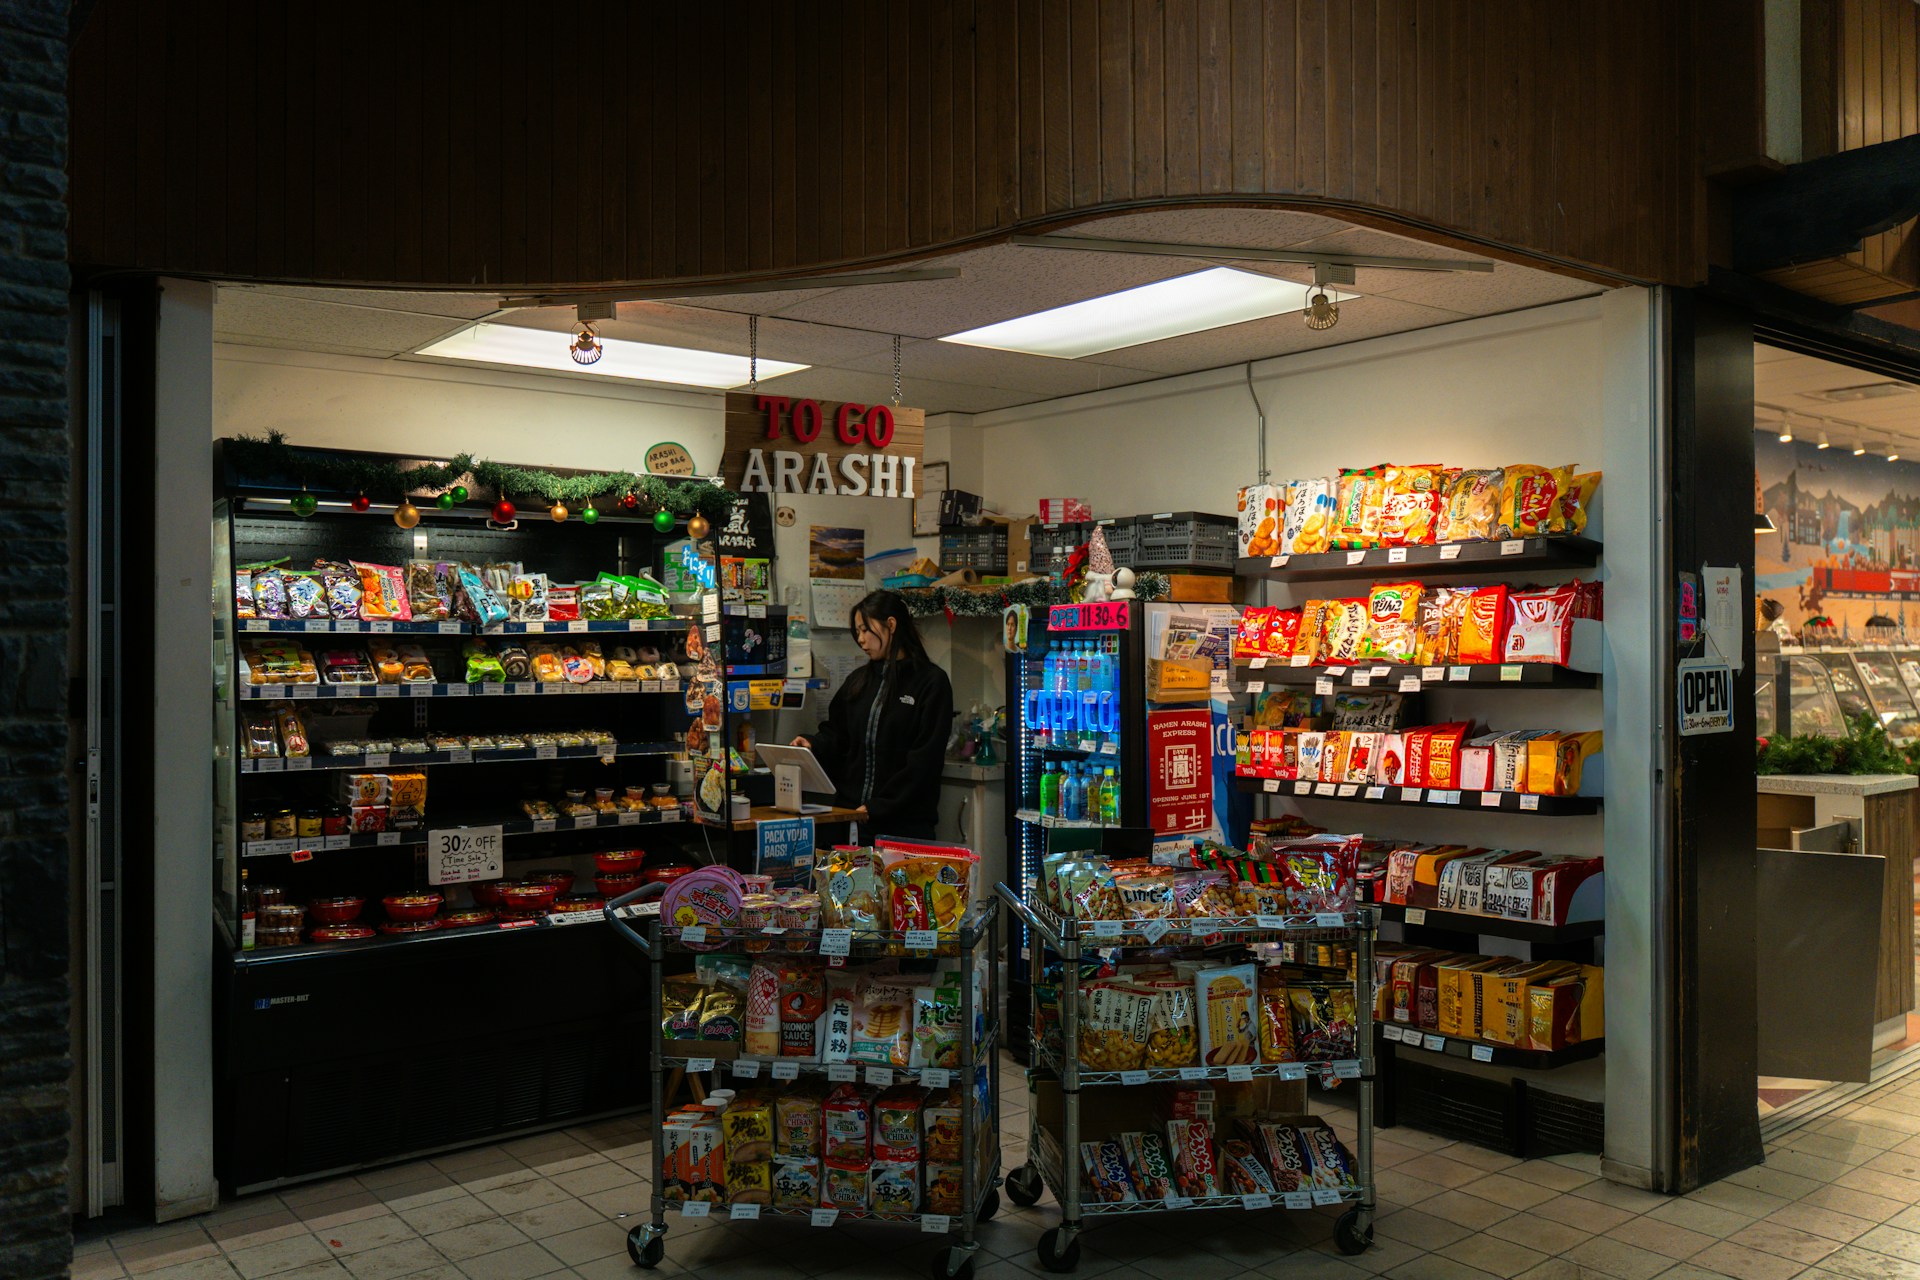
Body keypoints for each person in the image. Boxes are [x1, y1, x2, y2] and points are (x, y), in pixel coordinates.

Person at [792, 589, 954, 841]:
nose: (861, 640)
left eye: (866, 629)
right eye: (857, 632)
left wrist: (880, 805)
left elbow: (925, 761)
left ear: (891, 625)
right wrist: (812, 743)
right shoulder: (858, 681)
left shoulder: (931, 682)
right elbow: (837, 735)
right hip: (851, 819)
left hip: (904, 827)